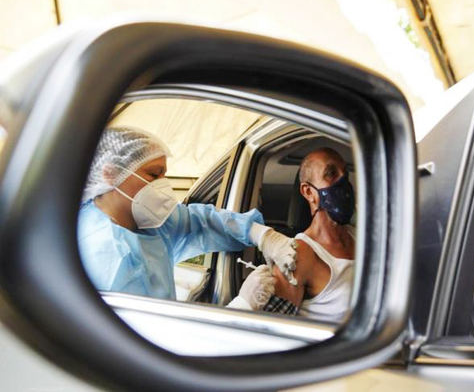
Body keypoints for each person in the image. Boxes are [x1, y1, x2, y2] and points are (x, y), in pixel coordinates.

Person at [77, 127, 296, 310]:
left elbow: (201, 221)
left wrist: (263, 235)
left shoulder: (148, 221)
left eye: (164, 175)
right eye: (153, 174)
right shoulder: (107, 255)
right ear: (111, 174)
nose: (163, 185)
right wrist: (241, 307)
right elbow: (147, 342)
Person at [272, 147, 355, 322]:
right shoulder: (296, 255)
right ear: (308, 192)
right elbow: (277, 331)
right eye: (331, 173)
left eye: (345, 173)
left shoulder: (365, 238)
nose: (344, 180)